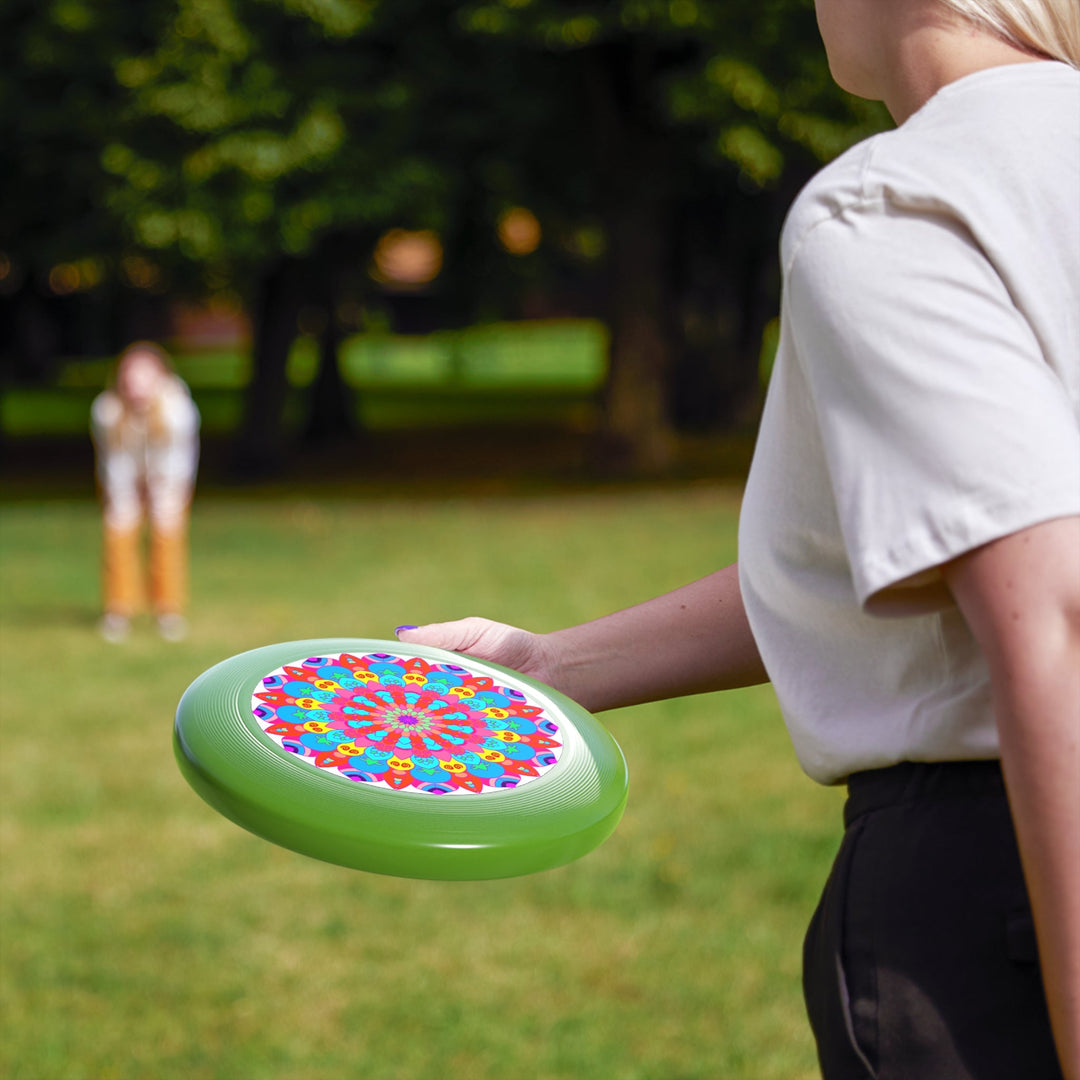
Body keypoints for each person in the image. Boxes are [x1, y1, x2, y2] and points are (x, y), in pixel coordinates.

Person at [396, 2, 1080, 1077]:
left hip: (1003, 890)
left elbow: (1054, 615)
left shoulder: (900, 202)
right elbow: (916, 553)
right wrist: (548, 666)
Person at [91, 341, 200, 642]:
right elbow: (114, 460)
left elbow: (177, 460)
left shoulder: (178, 410)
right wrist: (126, 495)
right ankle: (118, 610)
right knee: (118, 531)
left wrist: (160, 492)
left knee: (167, 535)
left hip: (168, 479)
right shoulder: (107, 411)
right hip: (123, 479)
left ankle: (168, 610)